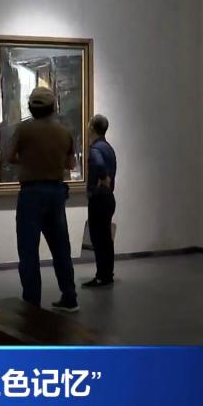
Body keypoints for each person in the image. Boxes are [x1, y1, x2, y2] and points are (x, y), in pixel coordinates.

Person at [6, 87, 79, 312]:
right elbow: (71, 164)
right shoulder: (64, 132)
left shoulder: (23, 129)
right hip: (56, 193)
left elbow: (8, 156)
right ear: (53, 107)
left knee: (28, 251)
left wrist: (29, 160)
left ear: (31, 107)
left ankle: (32, 303)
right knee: (61, 248)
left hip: (31, 194)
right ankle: (69, 297)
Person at [83, 114, 116, 288]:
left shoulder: (95, 149)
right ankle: (107, 274)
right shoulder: (108, 147)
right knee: (106, 239)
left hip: (99, 199)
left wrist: (102, 178)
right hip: (108, 198)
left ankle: (102, 276)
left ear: (92, 128)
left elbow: (98, 164)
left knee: (98, 239)